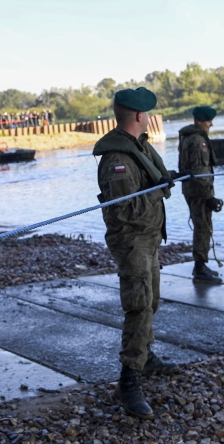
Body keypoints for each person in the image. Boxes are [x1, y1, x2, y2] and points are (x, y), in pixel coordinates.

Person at [93, 87, 190, 419]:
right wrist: (157, 191)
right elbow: (124, 211)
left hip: (148, 239)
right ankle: (129, 380)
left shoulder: (139, 147)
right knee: (138, 307)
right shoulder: (117, 158)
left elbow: (147, 190)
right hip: (131, 241)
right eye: (145, 113)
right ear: (138, 115)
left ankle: (145, 357)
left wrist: (163, 180)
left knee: (152, 301)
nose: (147, 117)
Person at [178, 106, 223, 284]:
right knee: (203, 227)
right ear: (198, 121)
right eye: (208, 121)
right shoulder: (197, 140)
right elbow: (200, 171)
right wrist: (208, 197)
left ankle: (201, 265)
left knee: (202, 226)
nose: (211, 124)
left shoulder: (187, 136)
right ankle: (200, 268)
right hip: (198, 192)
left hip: (193, 189)